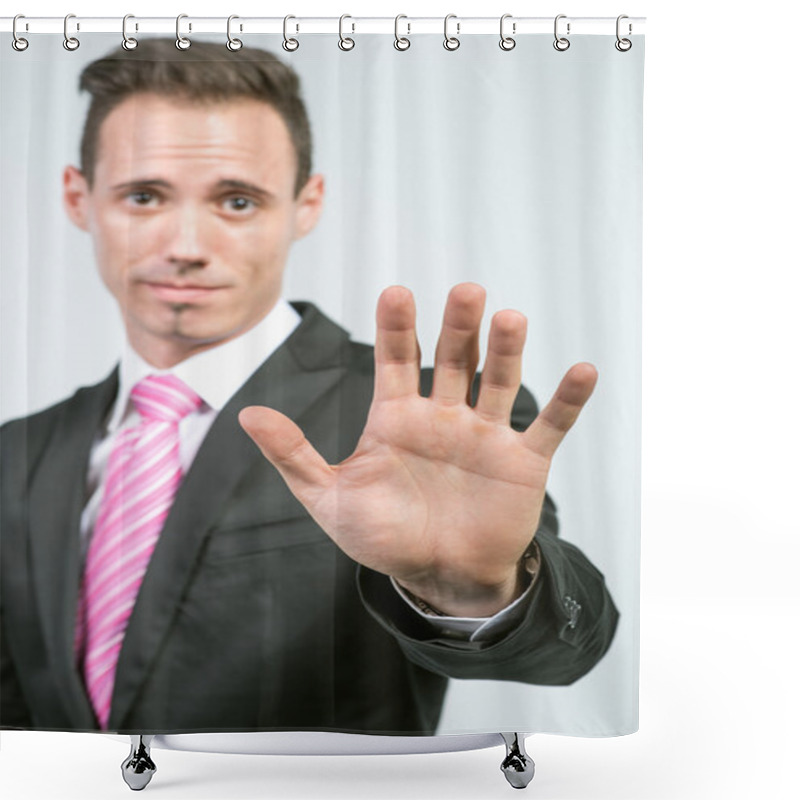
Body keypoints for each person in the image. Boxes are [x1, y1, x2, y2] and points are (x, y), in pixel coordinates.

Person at [0, 39, 618, 735]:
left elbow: (566, 656)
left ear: (307, 203)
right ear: (77, 198)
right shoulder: (18, 451)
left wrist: (478, 593)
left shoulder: (435, 421)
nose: (186, 245)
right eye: (144, 196)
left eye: (237, 200)